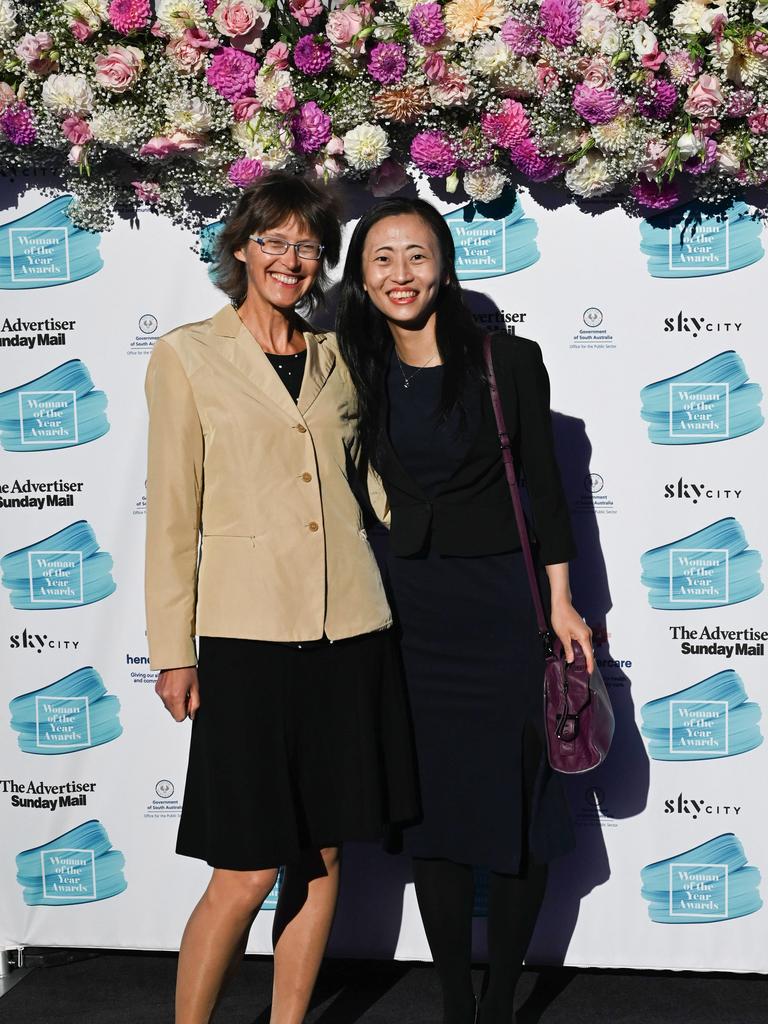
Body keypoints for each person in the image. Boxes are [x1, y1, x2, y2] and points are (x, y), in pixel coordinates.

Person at [144, 173, 418, 1024]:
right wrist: (173, 651)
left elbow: (373, 486)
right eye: (274, 242)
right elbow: (171, 512)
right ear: (240, 250)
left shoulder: (336, 358)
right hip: (247, 637)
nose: (291, 259)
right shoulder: (189, 354)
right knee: (247, 867)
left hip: (350, 632)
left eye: (306, 246)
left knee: (325, 853)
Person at [337, 197, 593, 1024]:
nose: (399, 274)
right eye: (382, 258)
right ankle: (456, 1004)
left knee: (517, 810)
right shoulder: (351, 365)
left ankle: (498, 1007)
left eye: (416, 256)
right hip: (407, 616)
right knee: (434, 814)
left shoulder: (507, 360)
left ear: (444, 265)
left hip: (501, 614)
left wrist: (562, 603)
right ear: (361, 275)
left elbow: (547, 495)